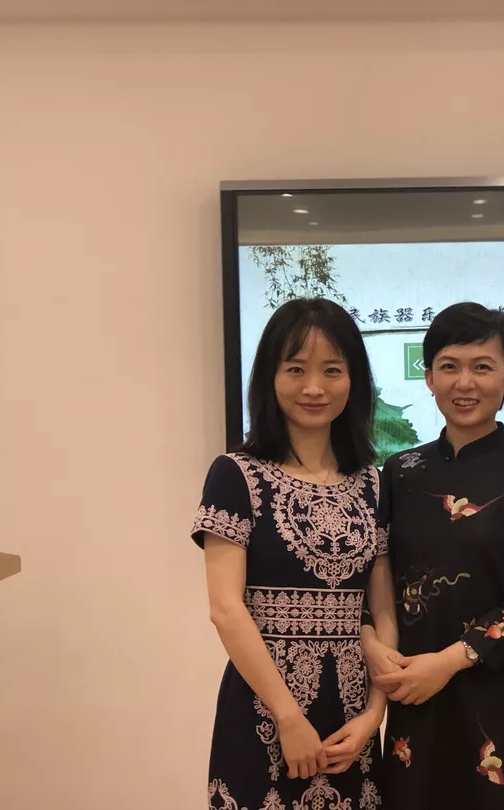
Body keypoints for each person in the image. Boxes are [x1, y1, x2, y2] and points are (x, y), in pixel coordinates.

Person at [191, 298, 396, 810]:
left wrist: (373, 716)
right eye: (296, 369)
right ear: (270, 377)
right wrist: (287, 716)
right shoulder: (235, 474)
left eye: (332, 370)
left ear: (355, 381)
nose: (314, 388)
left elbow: (383, 610)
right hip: (264, 713)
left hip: (351, 722)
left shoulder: (374, 483)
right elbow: (225, 608)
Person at [362, 302, 504, 810]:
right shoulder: (399, 472)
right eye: (449, 366)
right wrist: (370, 641)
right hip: (411, 691)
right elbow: (372, 573)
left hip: (494, 692)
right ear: (429, 377)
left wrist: (449, 662)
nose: (464, 382)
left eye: (483, 367)